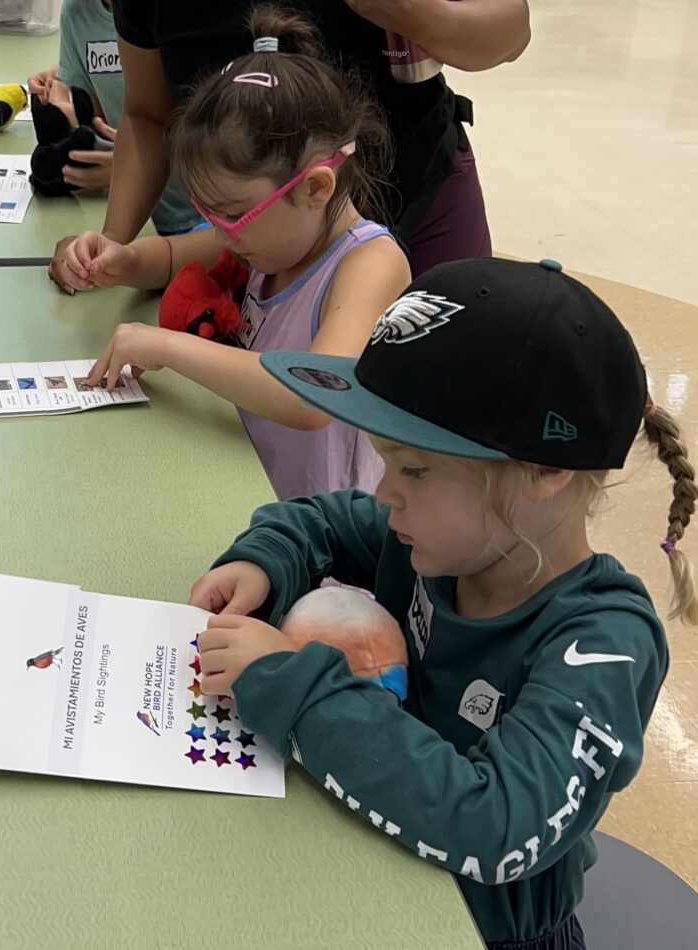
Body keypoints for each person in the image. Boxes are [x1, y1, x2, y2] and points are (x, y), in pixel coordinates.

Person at [189, 257, 698, 948]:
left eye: (415, 470)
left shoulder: (603, 640)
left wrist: (295, 688)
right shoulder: (436, 538)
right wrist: (264, 563)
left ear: (544, 472)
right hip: (373, 863)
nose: (384, 493)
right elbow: (323, 522)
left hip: (484, 930)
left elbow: (499, 826)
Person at [66, 8, 411, 500]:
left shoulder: (369, 264)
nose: (222, 234)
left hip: (321, 535)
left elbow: (315, 396)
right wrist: (119, 259)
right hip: (251, 489)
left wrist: (166, 346)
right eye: (208, 212)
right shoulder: (271, 237)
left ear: (314, 187)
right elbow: (167, 256)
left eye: (232, 214)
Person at [49, 0, 530, 291]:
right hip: (266, 242)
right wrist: (110, 246)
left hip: (421, 188)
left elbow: (510, 34)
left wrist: (410, 11)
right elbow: (149, 115)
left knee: (453, 414)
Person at [26, 0, 200, 290]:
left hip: (210, 222)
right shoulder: (83, 12)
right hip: (149, 224)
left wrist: (124, 167)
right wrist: (106, 244)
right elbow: (127, 120)